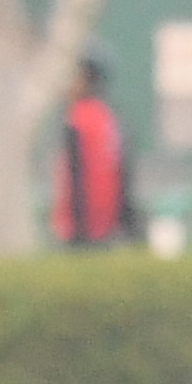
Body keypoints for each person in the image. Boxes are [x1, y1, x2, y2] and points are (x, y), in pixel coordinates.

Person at [51, 53, 138, 251]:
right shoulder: (110, 119)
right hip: (109, 227)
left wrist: (79, 231)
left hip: (81, 230)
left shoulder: (77, 119)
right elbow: (125, 175)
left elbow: (76, 177)